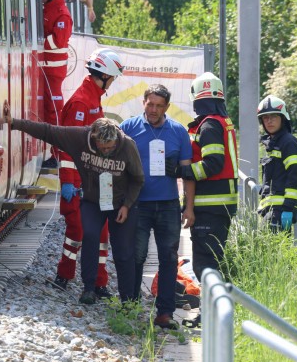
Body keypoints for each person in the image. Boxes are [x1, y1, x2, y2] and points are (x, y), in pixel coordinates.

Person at [0, 112, 144, 305]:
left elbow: (138, 179)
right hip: (93, 201)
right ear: (93, 138)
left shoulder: (127, 146)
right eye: (103, 148)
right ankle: (89, 289)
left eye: (111, 147)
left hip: (121, 203)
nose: (107, 151)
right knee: (90, 236)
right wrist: (14, 122)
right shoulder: (79, 138)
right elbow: (48, 131)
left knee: (123, 250)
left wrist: (127, 205)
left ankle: (127, 301)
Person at [166, 72, 238, 328]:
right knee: (210, 261)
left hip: (211, 206)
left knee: (206, 265)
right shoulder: (220, 121)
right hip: (217, 206)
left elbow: (213, 163)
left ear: (196, 98)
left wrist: (183, 171)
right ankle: (212, 314)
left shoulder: (209, 126)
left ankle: (212, 317)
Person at [120, 84, 195, 330]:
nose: (153, 110)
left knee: (168, 258)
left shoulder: (178, 132)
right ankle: (130, 307)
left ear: (167, 107)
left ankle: (165, 313)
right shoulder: (128, 128)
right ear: (143, 102)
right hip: (137, 204)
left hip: (168, 205)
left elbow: (187, 173)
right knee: (136, 257)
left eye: (159, 106)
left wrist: (189, 207)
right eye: (150, 104)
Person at [53, 48, 124, 299]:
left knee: (101, 234)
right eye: (113, 77)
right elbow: (69, 147)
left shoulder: (93, 97)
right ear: (104, 75)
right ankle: (64, 275)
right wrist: (68, 183)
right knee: (77, 231)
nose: (113, 82)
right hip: (81, 183)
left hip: (97, 179)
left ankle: (99, 283)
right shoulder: (82, 102)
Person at [40, 0, 73, 168]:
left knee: (54, 113)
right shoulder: (47, 9)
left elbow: (57, 41)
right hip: (45, 68)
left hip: (53, 71)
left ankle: (57, 155)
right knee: (47, 111)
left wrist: (38, 42)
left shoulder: (62, 13)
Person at [256, 95, 297, 232]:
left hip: (281, 211)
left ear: (283, 118)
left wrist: (288, 208)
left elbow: (295, 177)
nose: (269, 121)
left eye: (274, 117)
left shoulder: (289, 142)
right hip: (270, 211)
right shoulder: (272, 143)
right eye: (265, 118)